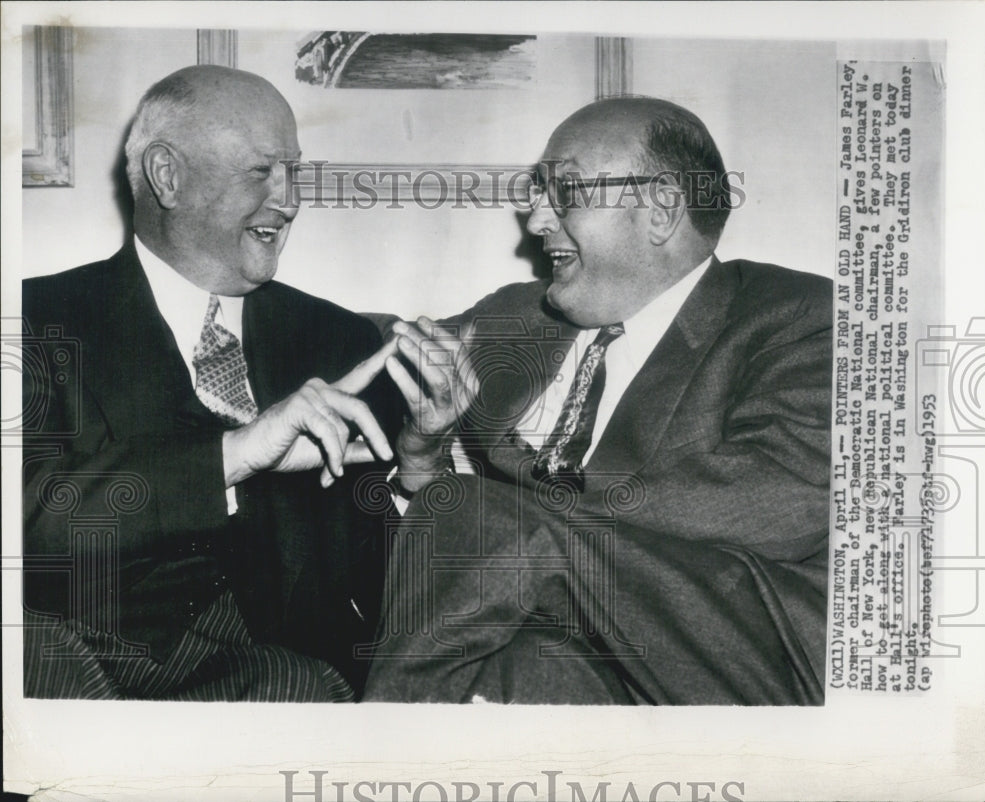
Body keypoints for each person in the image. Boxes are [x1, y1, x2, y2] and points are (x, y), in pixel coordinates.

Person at [364, 97, 833, 704]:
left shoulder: (799, 318)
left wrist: (516, 505)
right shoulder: (516, 316)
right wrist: (423, 460)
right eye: (538, 193)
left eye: (567, 192)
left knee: (476, 516)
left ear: (661, 209)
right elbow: (363, 363)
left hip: (732, 649)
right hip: (571, 638)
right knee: (518, 667)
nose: (536, 221)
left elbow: (776, 503)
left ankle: (377, 756)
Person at [21, 65, 406, 701]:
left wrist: (419, 469)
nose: (289, 199)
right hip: (84, 678)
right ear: (166, 175)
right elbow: (25, 521)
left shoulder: (344, 344)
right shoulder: (34, 321)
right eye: (262, 171)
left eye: (294, 171)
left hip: (291, 689)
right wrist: (233, 454)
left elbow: (377, 571)